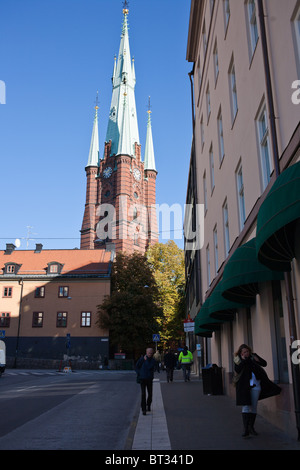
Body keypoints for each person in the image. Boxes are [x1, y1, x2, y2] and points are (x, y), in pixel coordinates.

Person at [234, 344, 281, 438]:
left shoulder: (253, 356)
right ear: (240, 353)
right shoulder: (238, 360)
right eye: (244, 352)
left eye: (247, 351)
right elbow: (237, 370)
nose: (246, 353)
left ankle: (251, 427)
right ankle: (245, 429)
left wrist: (257, 359)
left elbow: (264, 363)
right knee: (246, 406)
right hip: (244, 387)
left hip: (256, 386)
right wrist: (244, 360)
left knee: (253, 407)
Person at [135, 348, 156, 415]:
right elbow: (137, 367)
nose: (150, 354)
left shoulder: (153, 360)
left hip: (149, 379)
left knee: (150, 394)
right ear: (146, 352)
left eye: (151, 353)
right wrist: (139, 373)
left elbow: (153, 367)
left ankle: (148, 404)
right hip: (143, 378)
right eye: (149, 353)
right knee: (143, 394)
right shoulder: (142, 359)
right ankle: (144, 409)